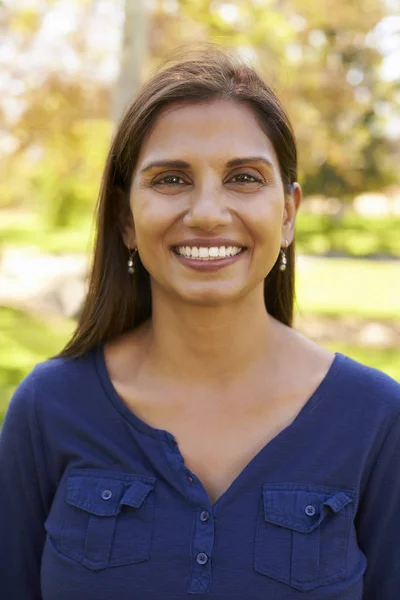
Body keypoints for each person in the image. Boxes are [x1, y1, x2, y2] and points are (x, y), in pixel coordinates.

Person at [1, 43, 399, 600]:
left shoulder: (376, 419)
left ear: (287, 214)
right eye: (170, 179)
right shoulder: (49, 408)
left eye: (243, 178)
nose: (208, 213)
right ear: (125, 220)